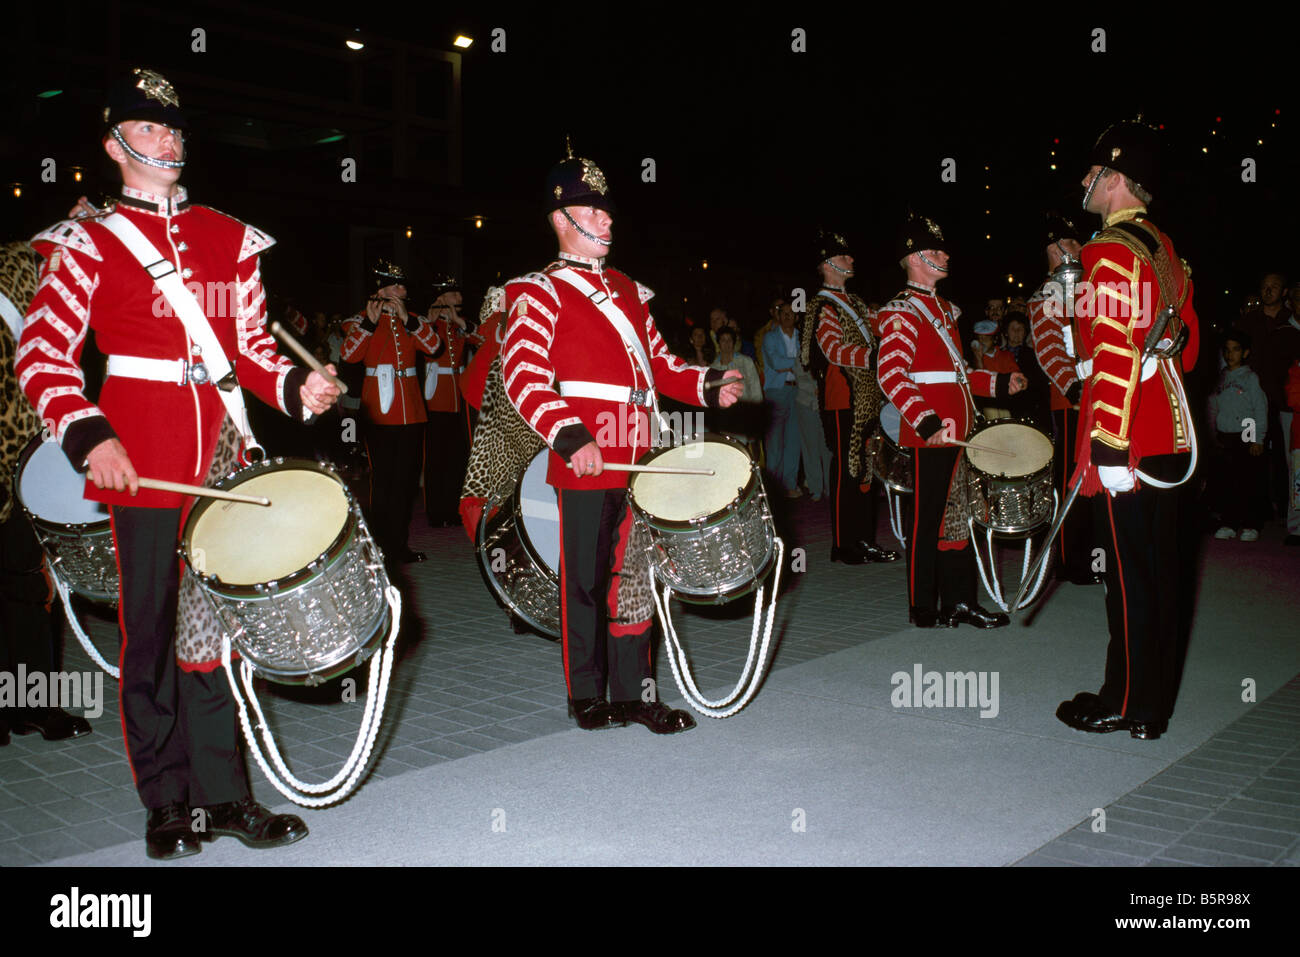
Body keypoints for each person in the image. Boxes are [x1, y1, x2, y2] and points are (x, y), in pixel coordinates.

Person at [16, 68, 341, 858]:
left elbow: (254, 351)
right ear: (114, 145)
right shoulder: (87, 241)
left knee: (214, 632)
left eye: (174, 129)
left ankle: (226, 797)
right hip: (145, 460)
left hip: (225, 455)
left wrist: (300, 384)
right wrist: (93, 437)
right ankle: (168, 802)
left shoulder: (230, 237)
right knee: (152, 633)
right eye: (151, 129)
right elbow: (43, 355)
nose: (169, 141)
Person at [501, 144, 743, 734]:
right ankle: (587, 695)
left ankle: (636, 695)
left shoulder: (630, 291)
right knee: (582, 582)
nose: (609, 220)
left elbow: (659, 364)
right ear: (563, 219)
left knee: (637, 579)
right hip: (586, 457)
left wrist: (708, 385)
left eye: (609, 211)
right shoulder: (537, 291)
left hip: (641, 457)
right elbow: (522, 375)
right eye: (594, 210)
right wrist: (569, 435)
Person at [1055, 120, 1199, 742]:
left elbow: (1115, 354)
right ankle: (1146, 697)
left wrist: (1108, 443)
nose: (1084, 183)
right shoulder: (1166, 248)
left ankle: (1132, 704)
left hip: (1130, 435)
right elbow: (1185, 350)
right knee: (1159, 571)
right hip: (1170, 426)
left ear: (1114, 178)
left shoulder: (1108, 251)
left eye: (1092, 174)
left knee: (1129, 575)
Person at [876, 213, 1024, 628]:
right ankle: (923, 606)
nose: (945, 254)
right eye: (935, 249)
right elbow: (892, 375)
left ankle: (959, 601)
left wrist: (998, 384)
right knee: (927, 521)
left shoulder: (943, 310)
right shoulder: (902, 312)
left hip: (960, 431)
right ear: (914, 256)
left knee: (959, 516)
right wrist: (927, 424)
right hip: (932, 434)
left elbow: (957, 374)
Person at [800, 229, 899, 564]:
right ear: (828, 263)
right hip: (843, 398)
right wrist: (873, 357)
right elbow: (832, 349)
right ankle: (843, 543)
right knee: (846, 468)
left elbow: (884, 324)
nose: (852, 259)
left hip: (867, 397)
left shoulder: (855, 302)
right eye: (844, 256)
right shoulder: (822, 304)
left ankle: (863, 538)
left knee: (867, 467)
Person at [341, 260, 441, 564]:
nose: (403, 290)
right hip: (379, 411)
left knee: (405, 481)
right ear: (380, 290)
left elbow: (434, 346)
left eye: (403, 286)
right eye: (396, 285)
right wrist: (369, 325)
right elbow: (349, 354)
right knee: (382, 481)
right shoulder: (357, 321)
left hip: (411, 409)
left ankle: (399, 545)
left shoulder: (412, 320)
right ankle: (379, 546)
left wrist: (408, 321)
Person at [1028, 217, 1100, 585]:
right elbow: (1049, 350)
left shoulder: (1088, 289)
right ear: (1055, 250)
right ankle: (1072, 560)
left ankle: (1096, 557)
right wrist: (1074, 388)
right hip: (1071, 400)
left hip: (1101, 393)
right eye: (1071, 243)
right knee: (1073, 481)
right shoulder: (1046, 296)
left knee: (1101, 477)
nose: (1078, 249)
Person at [421, 276, 480, 526]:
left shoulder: (461, 323)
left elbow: (482, 340)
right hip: (436, 396)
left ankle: (453, 509)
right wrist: (431, 319)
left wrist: (459, 322)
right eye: (454, 293)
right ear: (442, 297)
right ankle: (435, 512)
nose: (460, 298)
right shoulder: (429, 322)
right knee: (436, 457)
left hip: (458, 396)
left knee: (457, 457)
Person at [1208, 330, 1268, 541]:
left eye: (1235, 350)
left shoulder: (1250, 378)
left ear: (1245, 352)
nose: (1230, 354)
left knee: (1248, 482)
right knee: (1227, 482)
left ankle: (1252, 524)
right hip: (1226, 436)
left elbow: (1259, 409)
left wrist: (1256, 438)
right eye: (1227, 350)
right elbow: (1214, 407)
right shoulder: (1221, 377)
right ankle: (1229, 522)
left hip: (1246, 434)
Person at [762, 298, 804, 496]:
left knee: (794, 441)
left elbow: (809, 361)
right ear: (778, 316)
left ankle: (790, 485)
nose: (787, 316)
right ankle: (773, 488)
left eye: (790, 313)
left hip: (799, 390)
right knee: (775, 443)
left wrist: (797, 365)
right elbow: (776, 362)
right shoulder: (770, 337)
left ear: (796, 317)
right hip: (777, 391)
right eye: (783, 312)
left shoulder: (801, 336)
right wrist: (799, 363)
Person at [710, 326, 762, 440]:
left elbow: (755, 388)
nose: (726, 343)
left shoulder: (746, 362)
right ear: (718, 343)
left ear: (734, 342)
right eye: (723, 340)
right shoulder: (713, 368)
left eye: (729, 340)